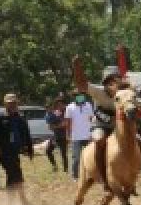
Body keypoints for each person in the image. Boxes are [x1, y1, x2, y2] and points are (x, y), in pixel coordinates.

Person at [72, 58, 124, 190]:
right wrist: (77, 67)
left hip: (118, 127)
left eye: (116, 81)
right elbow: (81, 84)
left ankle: (131, 172)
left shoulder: (124, 93)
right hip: (100, 126)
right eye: (111, 81)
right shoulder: (98, 92)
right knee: (100, 140)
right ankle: (103, 177)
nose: (114, 84)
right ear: (106, 83)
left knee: (139, 141)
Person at [0, 93, 33, 205]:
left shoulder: (20, 118)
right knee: (16, 174)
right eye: (10, 103)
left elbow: (26, 134)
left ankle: (10, 204)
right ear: (5, 104)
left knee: (12, 176)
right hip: (3, 152)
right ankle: (22, 201)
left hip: (14, 152)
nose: (12, 105)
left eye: (14, 103)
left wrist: (29, 149)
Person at [63, 92, 94, 179]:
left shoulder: (88, 105)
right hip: (76, 137)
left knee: (90, 157)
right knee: (76, 158)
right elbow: (68, 123)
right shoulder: (69, 107)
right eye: (79, 96)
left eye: (82, 96)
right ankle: (75, 176)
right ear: (75, 97)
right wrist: (67, 135)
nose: (81, 98)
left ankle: (90, 174)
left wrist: (92, 132)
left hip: (88, 136)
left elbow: (91, 119)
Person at [44, 98, 69, 173]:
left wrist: (57, 126)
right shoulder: (55, 113)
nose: (60, 106)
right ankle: (55, 166)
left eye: (61, 104)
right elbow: (50, 127)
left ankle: (65, 169)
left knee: (63, 153)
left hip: (63, 136)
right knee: (48, 151)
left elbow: (65, 124)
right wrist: (58, 125)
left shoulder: (66, 113)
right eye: (58, 104)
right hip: (55, 136)